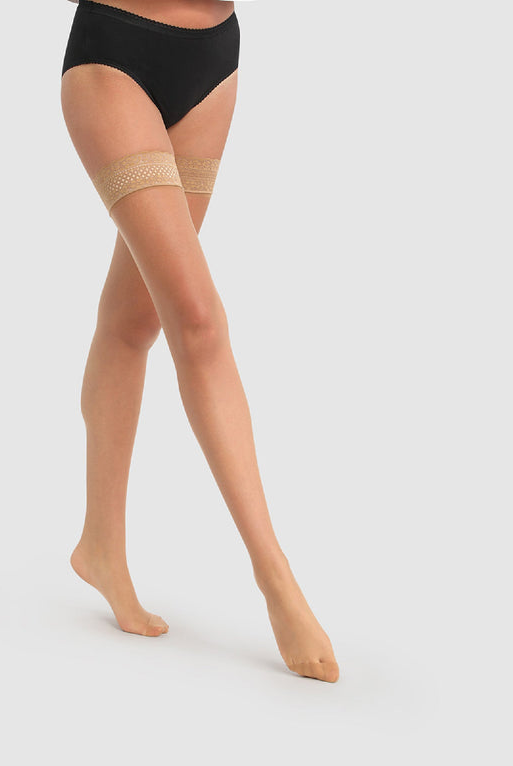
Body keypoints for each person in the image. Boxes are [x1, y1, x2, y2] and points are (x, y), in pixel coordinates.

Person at [60, 0, 339, 683]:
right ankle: (276, 578)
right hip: (114, 56)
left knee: (135, 320)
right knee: (197, 317)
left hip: (213, 60)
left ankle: (100, 545)